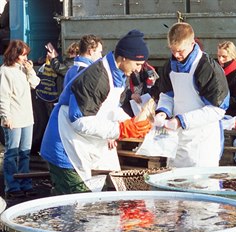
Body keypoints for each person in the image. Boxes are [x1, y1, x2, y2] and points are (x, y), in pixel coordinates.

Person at [40, 30, 153, 194]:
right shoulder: (97, 77)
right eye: (137, 64)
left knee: (89, 203)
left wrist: (133, 121)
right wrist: (121, 129)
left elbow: (109, 108)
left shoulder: (117, 74)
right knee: (76, 205)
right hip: (65, 146)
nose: (138, 69)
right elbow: (79, 120)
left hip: (83, 144)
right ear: (123, 58)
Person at [155, 22, 229, 168]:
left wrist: (181, 121)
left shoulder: (207, 68)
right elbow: (167, 95)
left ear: (192, 43)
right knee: (173, 184)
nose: (176, 55)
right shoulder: (169, 66)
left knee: (201, 187)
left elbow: (217, 110)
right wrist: (162, 112)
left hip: (202, 143)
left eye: (180, 51)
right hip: (177, 140)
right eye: (172, 50)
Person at [0, 40, 40, 199]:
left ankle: (25, 183)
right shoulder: (5, 72)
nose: (25, 58)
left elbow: (35, 84)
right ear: (15, 54)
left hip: (27, 118)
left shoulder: (23, 70)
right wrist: (5, 116)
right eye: (23, 54)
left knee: (25, 153)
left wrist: (30, 71)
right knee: (12, 153)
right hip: (14, 119)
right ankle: (11, 186)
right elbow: (3, 96)